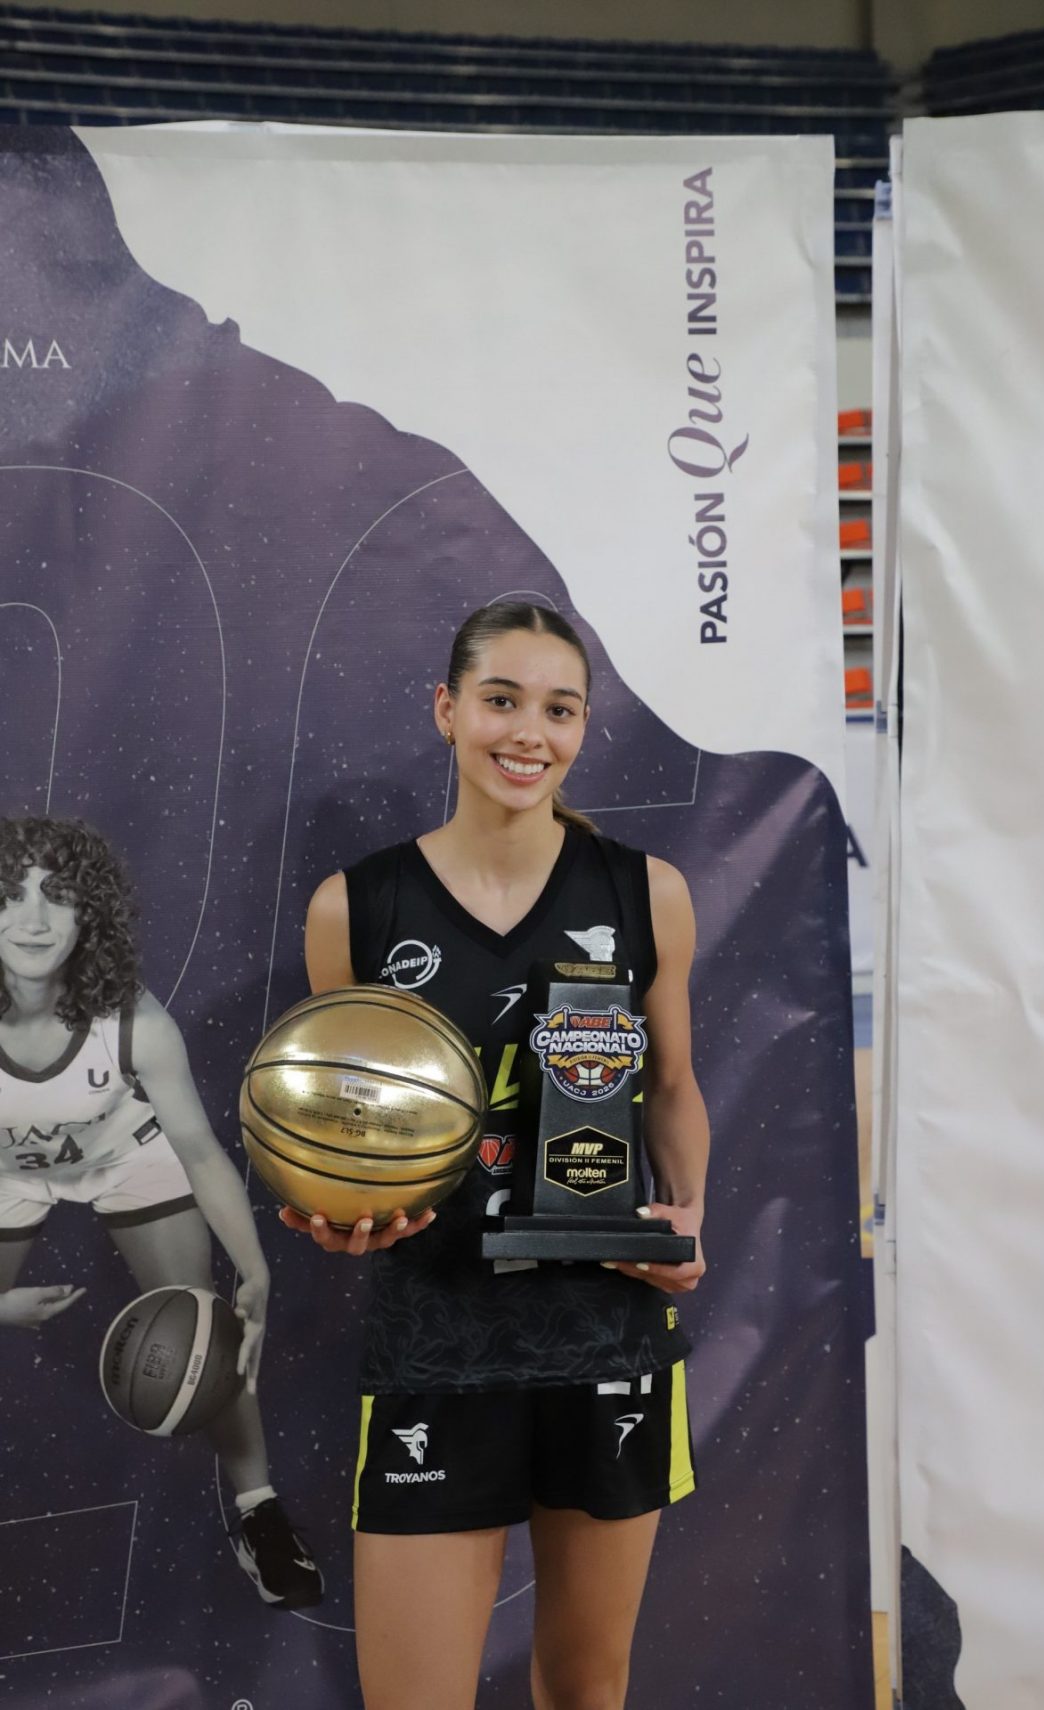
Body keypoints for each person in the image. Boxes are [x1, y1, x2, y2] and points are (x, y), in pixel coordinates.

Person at [293, 600, 709, 1710]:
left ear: (582, 730)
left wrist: (684, 1218)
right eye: (501, 700)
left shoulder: (647, 892)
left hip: (605, 1328)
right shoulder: (356, 908)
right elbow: (339, 1128)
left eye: (559, 710)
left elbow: (673, 1087)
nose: (530, 732)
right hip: (436, 1332)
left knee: (585, 1690)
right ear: (447, 710)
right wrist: (338, 1209)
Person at [0, 816, 323, 1610]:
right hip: (7, 1169)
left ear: (89, 914)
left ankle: (259, 1513)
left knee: (206, 1323)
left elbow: (201, 1152)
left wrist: (253, 1270)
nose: (33, 919)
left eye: (58, 896)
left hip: (119, 1150)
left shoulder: (132, 1019)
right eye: (10, 896)